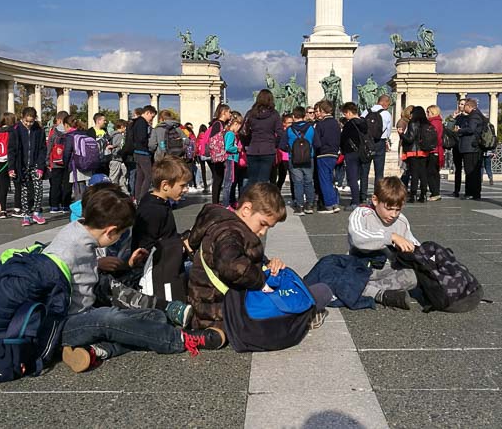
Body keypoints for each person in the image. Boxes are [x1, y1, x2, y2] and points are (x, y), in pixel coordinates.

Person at [55, 186, 226, 373]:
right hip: (68, 325)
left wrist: (122, 265)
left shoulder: (80, 232)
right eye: (121, 234)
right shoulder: (69, 251)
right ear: (110, 232)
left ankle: (96, 350)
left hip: (87, 315)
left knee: (155, 317)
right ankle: (181, 339)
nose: (120, 238)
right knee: (109, 319)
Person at [186, 182, 331, 331]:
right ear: (246, 209)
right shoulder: (230, 232)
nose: (263, 232)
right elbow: (232, 265)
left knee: (307, 295)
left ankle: (302, 317)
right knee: (319, 293)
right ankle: (303, 319)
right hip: (227, 315)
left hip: (215, 309)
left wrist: (268, 264)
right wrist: (261, 280)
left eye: (268, 227)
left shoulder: (225, 227)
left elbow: (244, 260)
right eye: (262, 224)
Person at [348, 177, 419, 309]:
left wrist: (416, 250)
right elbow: (357, 238)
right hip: (360, 268)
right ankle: (379, 294)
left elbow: (413, 243)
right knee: (336, 275)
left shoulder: (401, 221)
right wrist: (391, 237)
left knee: (413, 277)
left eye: (397, 210)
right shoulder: (362, 214)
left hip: (388, 269)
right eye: (389, 209)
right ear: (375, 200)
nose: (393, 214)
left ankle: (370, 291)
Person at [129, 155, 193, 303]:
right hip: (160, 275)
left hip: (166, 266)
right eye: (182, 186)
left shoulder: (154, 201)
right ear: (165, 185)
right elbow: (146, 248)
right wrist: (182, 245)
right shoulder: (154, 211)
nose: (186, 190)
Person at [8, 107, 47, 227]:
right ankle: (26, 215)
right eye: (27, 121)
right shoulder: (16, 130)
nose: (29, 124)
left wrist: (41, 166)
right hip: (22, 164)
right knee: (24, 190)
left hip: (35, 163)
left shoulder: (39, 130)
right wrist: (11, 167)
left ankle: (36, 212)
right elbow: (11, 150)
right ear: (22, 118)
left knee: (38, 188)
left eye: (31, 121)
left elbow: (42, 149)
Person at [244, 90, 284, 186]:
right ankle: (261, 196)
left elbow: (244, 131)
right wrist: (274, 144)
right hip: (268, 149)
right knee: (264, 180)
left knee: (252, 180)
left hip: (253, 149)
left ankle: (249, 195)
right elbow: (280, 133)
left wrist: (248, 143)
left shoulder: (250, 113)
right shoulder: (274, 114)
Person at [282, 106, 317, 215]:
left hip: (294, 159)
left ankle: (300, 206)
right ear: (304, 115)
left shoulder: (289, 130)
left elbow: (281, 146)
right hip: (308, 158)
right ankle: (309, 205)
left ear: (293, 116)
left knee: (297, 183)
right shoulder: (311, 128)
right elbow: (317, 144)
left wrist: (290, 149)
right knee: (308, 182)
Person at [123, 105, 157, 204]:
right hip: (143, 152)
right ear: (148, 113)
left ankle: (137, 197)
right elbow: (142, 138)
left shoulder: (135, 122)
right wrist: (148, 142)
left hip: (136, 152)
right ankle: (142, 198)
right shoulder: (142, 122)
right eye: (152, 116)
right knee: (149, 175)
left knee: (140, 176)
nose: (152, 119)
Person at [340, 102, 370, 210]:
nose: (345, 116)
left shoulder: (349, 124)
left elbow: (343, 139)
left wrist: (342, 150)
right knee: (363, 176)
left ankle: (355, 202)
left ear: (349, 112)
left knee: (352, 178)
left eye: (345, 114)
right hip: (364, 152)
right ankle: (363, 198)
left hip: (351, 152)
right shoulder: (364, 122)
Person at [313, 99, 341, 213]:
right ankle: (335, 202)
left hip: (323, 153)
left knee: (324, 180)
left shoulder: (321, 124)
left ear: (323, 110)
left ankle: (329, 204)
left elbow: (316, 141)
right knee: (330, 179)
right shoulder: (336, 123)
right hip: (334, 153)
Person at [361, 95, 393, 189]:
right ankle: (378, 194)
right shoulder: (386, 114)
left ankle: (363, 194)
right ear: (385, 103)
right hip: (380, 142)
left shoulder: (366, 112)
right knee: (379, 171)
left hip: (367, 143)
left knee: (364, 171)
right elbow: (388, 131)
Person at [400, 106, 431, 203]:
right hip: (424, 151)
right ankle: (423, 194)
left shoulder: (413, 123)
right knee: (423, 174)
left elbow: (410, 138)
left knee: (414, 174)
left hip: (414, 152)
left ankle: (413, 195)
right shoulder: (427, 123)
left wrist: (401, 134)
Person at [455, 99, 484, 200]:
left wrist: (460, 130)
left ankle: (471, 192)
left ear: (469, 106)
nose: (463, 108)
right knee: (473, 171)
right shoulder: (477, 115)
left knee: (471, 171)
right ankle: (474, 192)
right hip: (472, 147)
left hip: (471, 147)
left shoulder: (474, 115)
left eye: (465, 106)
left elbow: (471, 129)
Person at [46, 111, 71, 214]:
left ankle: (54, 205)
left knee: (55, 185)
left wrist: (47, 161)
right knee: (67, 184)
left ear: (59, 120)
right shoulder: (70, 131)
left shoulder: (54, 131)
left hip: (55, 161)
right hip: (68, 161)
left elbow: (49, 145)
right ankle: (65, 205)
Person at [207, 104, 231, 205]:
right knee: (218, 178)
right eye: (229, 112)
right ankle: (215, 202)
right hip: (219, 155)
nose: (230, 114)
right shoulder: (218, 124)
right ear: (223, 112)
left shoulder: (218, 123)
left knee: (219, 178)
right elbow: (214, 140)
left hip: (219, 154)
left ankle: (216, 201)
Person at [222, 111, 244, 209]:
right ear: (235, 123)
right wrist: (237, 149)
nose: (239, 128)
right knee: (228, 183)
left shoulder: (229, 133)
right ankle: (226, 204)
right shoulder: (230, 134)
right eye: (239, 126)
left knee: (230, 182)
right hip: (230, 159)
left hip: (231, 160)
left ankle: (230, 202)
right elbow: (228, 147)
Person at [425, 105, 445, 201]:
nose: (427, 114)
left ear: (432, 112)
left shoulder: (433, 122)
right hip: (437, 150)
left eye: (428, 112)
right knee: (435, 173)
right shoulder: (439, 122)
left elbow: (434, 137)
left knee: (430, 172)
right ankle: (436, 192)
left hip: (433, 150)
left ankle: (435, 192)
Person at [449, 99, 466, 197]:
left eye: (462, 104)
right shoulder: (457, 117)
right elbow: (449, 129)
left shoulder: (470, 117)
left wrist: (461, 130)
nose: (460, 106)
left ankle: (469, 189)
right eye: (459, 104)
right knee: (457, 169)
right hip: (457, 145)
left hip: (466, 145)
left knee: (468, 169)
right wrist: (453, 118)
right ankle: (456, 189)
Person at [108, 119, 129, 193]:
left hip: (114, 159)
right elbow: (119, 146)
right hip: (116, 158)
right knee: (115, 179)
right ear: (122, 126)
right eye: (125, 126)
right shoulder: (119, 136)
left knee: (119, 178)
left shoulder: (112, 135)